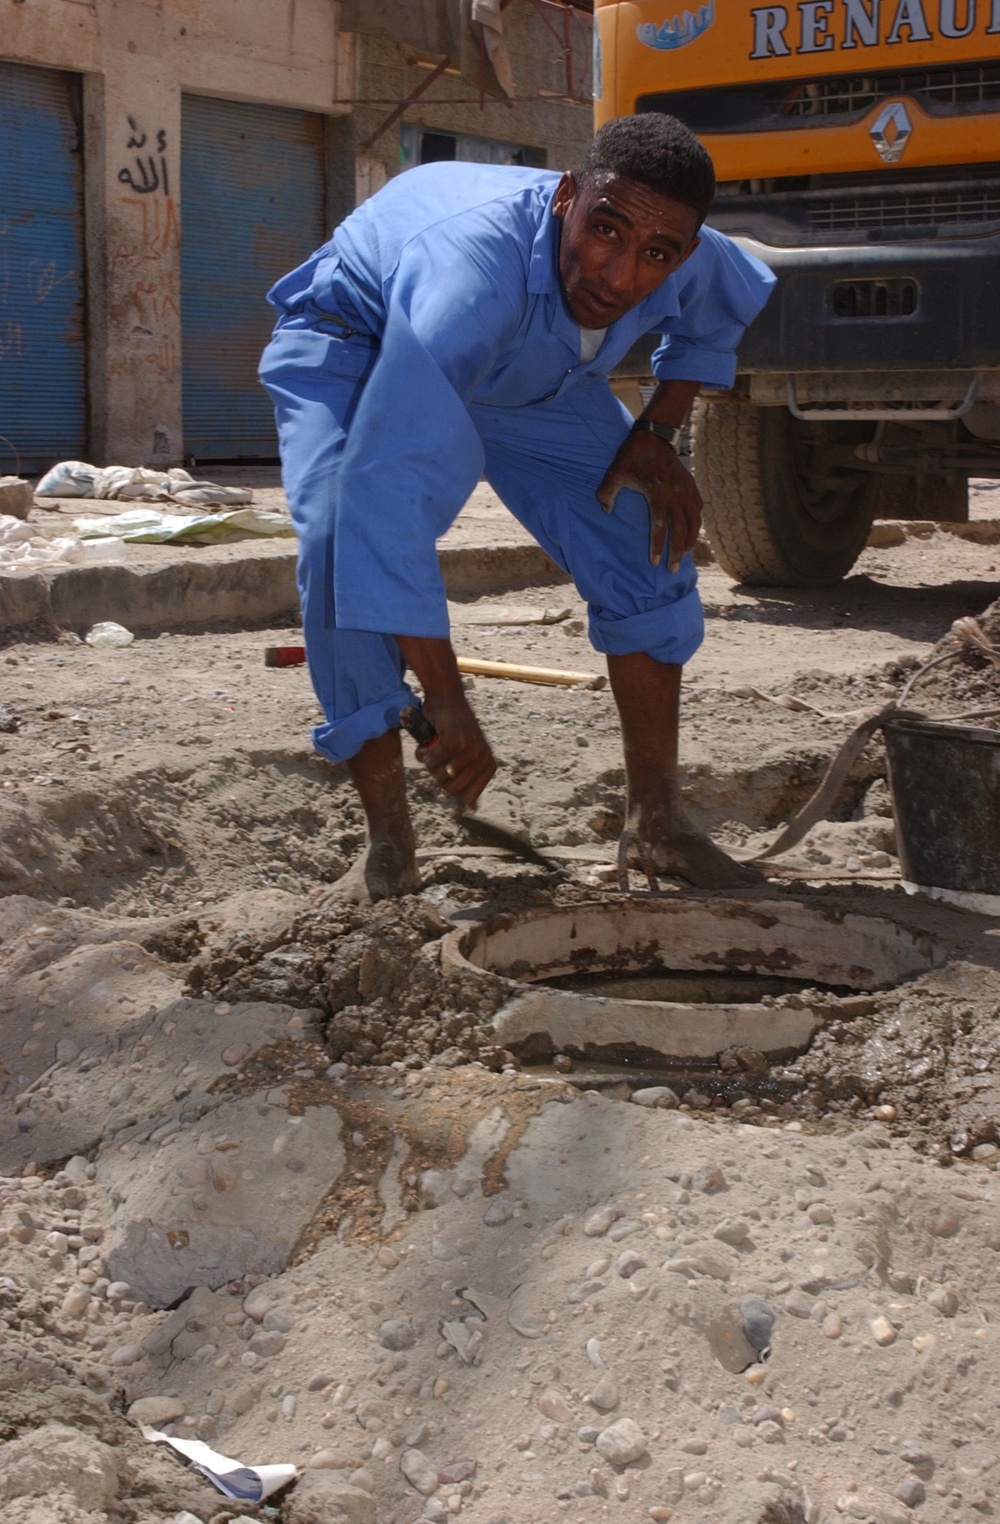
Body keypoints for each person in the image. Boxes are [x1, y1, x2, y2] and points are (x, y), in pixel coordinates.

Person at [259, 113, 775, 902]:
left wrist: (655, 434)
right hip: (355, 339)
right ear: (567, 196)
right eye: (605, 230)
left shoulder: (680, 250)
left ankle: (659, 822)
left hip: (530, 367)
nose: (620, 273)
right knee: (339, 544)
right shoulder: (468, 277)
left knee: (637, 532)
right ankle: (389, 846)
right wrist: (445, 696)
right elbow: (384, 495)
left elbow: (717, 310)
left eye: (655, 255)